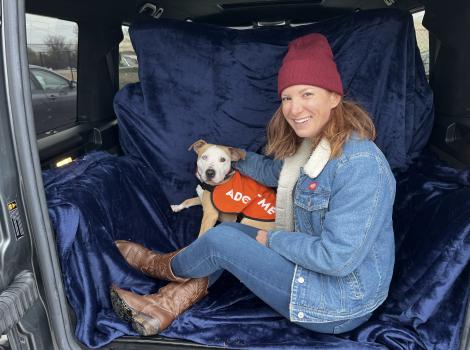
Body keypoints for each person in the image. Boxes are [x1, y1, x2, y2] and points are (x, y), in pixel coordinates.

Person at [110, 33, 396, 336]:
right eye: (287, 97)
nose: (294, 109)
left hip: (338, 302)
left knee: (221, 242)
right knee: (229, 231)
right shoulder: (313, 150)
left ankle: (158, 265)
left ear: (334, 97)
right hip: (315, 277)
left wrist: (270, 240)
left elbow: (336, 259)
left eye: (307, 94)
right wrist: (237, 157)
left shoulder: (361, 164)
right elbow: (277, 172)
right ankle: (162, 308)